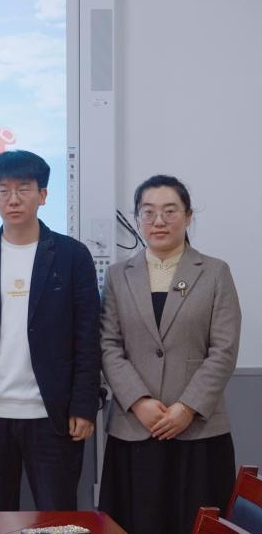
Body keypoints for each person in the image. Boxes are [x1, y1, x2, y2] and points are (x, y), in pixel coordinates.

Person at [0, 150, 100, 511]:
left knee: (57, 515)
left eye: (24, 189)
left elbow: (87, 336)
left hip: (53, 414)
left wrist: (84, 405)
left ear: (43, 195)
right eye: (3, 190)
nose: (13, 199)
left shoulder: (72, 255)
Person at [99, 175, 240, 534]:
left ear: (188, 216)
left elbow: (224, 349)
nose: (158, 221)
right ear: (137, 218)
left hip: (198, 429)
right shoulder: (118, 275)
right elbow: (108, 345)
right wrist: (138, 401)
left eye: (170, 211)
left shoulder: (214, 272)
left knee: (197, 524)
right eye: (148, 212)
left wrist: (187, 407)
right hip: (135, 428)